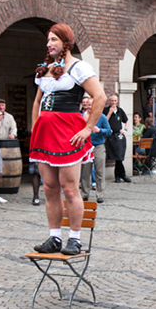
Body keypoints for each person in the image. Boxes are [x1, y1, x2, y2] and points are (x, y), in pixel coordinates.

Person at [30, 24, 106, 257]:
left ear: (65, 42)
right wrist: (35, 129)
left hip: (67, 131)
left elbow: (100, 97)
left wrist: (87, 128)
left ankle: (74, 239)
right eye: (48, 40)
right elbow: (37, 103)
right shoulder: (45, 69)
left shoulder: (78, 67)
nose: (49, 44)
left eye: (53, 39)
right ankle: (54, 237)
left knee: (70, 188)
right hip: (45, 131)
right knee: (50, 188)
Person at [79, 95, 111, 204]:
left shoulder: (101, 117)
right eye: (87, 104)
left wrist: (100, 130)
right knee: (85, 172)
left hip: (98, 146)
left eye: (91, 105)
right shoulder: (81, 116)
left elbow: (109, 131)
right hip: (86, 146)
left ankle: (100, 194)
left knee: (99, 171)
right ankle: (84, 194)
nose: (89, 107)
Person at [104, 93, 131, 183]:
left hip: (119, 135)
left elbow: (126, 120)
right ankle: (121, 175)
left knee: (119, 155)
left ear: (117, 101)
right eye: (112, 100)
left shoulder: (120, 110)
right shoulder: (106, 110)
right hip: (111, 135)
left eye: (115, 100)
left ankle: (119, 176)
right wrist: (110, 113)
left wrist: (125, 129)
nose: (113, 102)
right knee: (116, 156)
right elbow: (104, 121)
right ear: (109, 101)